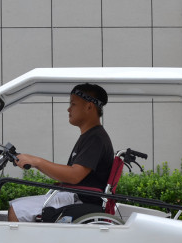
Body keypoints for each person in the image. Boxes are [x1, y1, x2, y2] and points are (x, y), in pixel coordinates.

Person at [8, 83, 114, 222]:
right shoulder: (90, 136)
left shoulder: (95, 139)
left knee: (16, 210)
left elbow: (74, 176)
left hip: (80, 199)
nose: (68, 109)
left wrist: (37, 162)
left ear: (89, 107)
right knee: (15, 205)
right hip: (74, 195)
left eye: (73, 104)